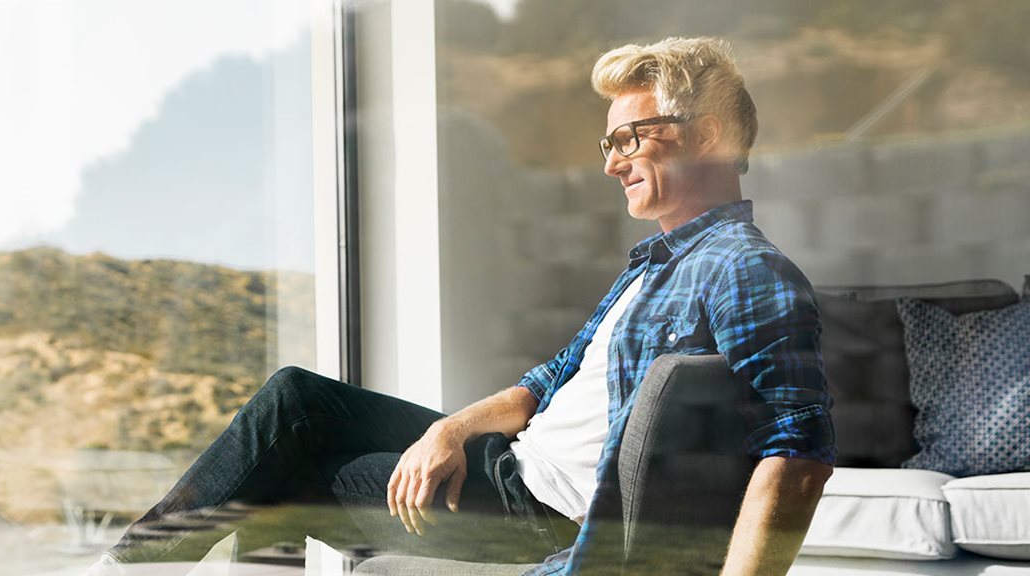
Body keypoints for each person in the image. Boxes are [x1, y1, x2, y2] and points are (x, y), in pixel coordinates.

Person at [94, 37, 833, 576]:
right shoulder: (655, 265)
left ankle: (132, 571)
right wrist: (450, 430)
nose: (610, 162)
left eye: (629, 137)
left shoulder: (745, 269)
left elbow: (796, 455)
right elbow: (546, 382)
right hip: (510, 463)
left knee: (283, 463)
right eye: (607, 142)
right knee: (294, 398)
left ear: (704, 135)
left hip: (537, 515)